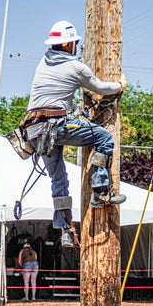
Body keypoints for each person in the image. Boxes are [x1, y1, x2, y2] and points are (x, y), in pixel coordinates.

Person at [23, 20, 128, 247]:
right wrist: (119, 86)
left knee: (58, 180)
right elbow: (100, 88)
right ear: (70, 44)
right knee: (104, 137)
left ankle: (65, 230)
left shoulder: (43, 62)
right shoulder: (75, 67)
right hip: (54, 126)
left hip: (34, 129)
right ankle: (100, 190)